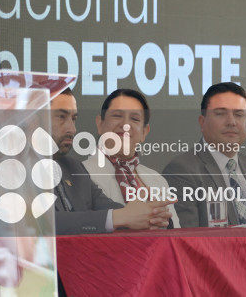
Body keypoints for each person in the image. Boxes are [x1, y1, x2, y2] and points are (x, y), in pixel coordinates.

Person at [49, 88, 173, 235]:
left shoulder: (73, 168)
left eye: (74, 119)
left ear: (145, 132)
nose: (72, 129)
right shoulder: (17, 168)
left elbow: (113, 209)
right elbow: (43, 222)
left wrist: (154, 216)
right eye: (61, 116)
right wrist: (116, 218)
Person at [163, 82, 246, 227]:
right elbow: (187, 240)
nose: (231, 122)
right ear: (202, 122)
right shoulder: (182, 170)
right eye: (220, 114)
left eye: (238, 115)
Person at [81, 88, 180, 227]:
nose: (125, 125)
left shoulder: (158, 179)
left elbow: (176, 233)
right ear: (100, 124)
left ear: (144, 132)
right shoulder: (82, 173)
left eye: (134, 118)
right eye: (117, 116)